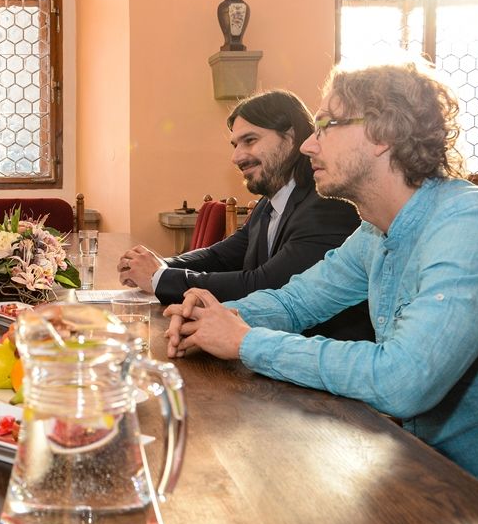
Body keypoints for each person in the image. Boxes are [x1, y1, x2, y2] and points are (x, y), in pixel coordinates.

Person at [166, 62, 478, 498]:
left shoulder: (477, 226)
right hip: (427, 471)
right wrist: (213, 317)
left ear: (383, 134)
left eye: (325, 125)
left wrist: (246, 341)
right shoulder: (373, 231)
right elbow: (295, 303)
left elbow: (402, 379)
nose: (307, 144)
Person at [118, 90, 373, 341]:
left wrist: (159, 277)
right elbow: (220, 256)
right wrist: (158, 264)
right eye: (235, 145)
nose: (236, 157)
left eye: (250, 140)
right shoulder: (269, 203)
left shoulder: (327, 205)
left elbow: (265, 285)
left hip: (318, 355)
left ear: (291, 137)